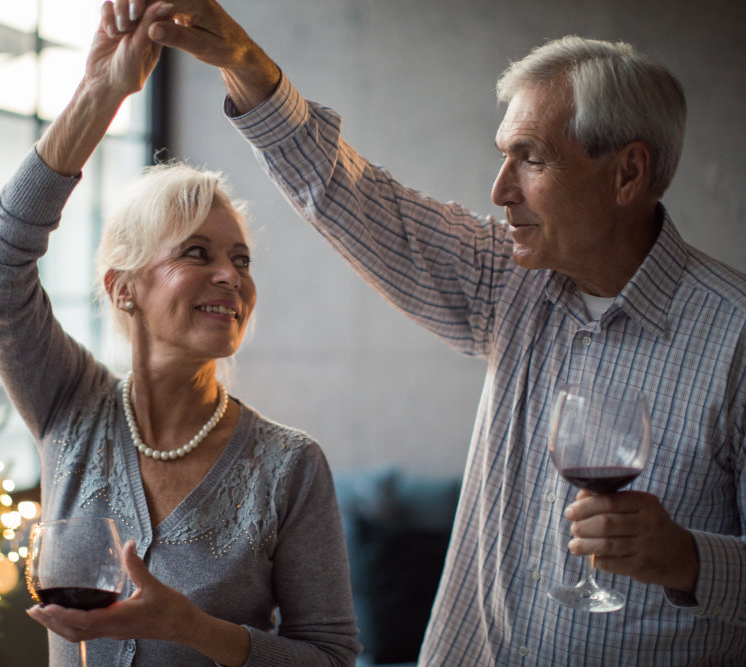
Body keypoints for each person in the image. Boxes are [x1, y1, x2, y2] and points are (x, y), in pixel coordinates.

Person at [101, 1, 746, 664]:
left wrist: (690, 558)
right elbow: (349, 193)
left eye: (531, 159)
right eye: (504, 156)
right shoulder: (508, 281)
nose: (500, 190)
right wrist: (243, 63)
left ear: (628, 173)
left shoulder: (737, 339)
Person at [0, 6, 360, 666]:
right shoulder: (68, 409)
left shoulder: (289, 467)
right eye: (198, 253)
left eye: (240, 259)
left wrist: (196, 628)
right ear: (125, 288)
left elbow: (331, 657)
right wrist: (102, 93)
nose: (230, 276)